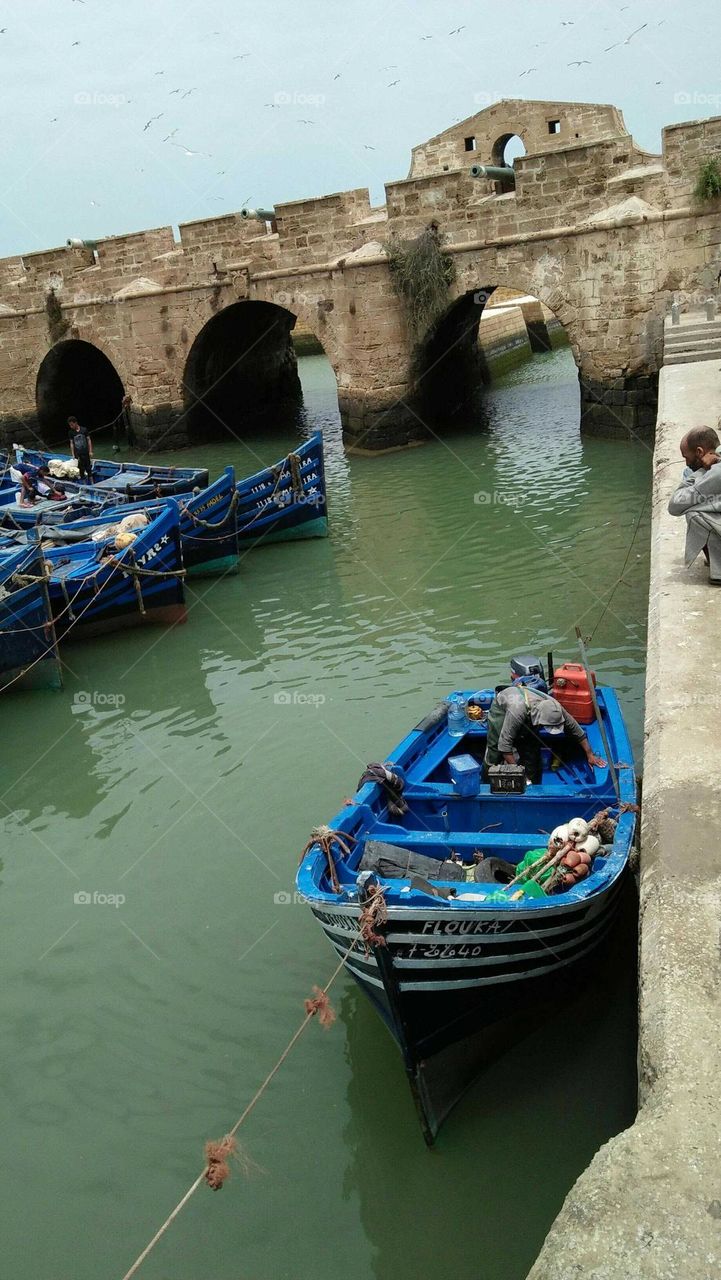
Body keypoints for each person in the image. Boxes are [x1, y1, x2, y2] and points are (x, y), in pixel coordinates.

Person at [484, 683, 606, 785]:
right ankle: (485, 781)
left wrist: (589, 754)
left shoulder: (556, 707)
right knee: (495, 750)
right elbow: (504, 746)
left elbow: (576, 730)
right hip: (503, 708)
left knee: (531, 752)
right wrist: (520, 774)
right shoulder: (517, 711)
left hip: (528, 711)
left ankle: (534, 786)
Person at [668, 426, 721, 583]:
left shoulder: (716, 473)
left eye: (687, 457)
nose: (686, 462)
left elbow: (675, 505)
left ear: (699, 452)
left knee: (694, 513)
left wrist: (701, 474)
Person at [68, 416, 93, 482]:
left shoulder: (84, 429)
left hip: (86, 452)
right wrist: (73, 454)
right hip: (78, 454)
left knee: (88, 468)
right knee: (81, 469)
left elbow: (88, 440)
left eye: (72, 425)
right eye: (70, 425)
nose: (71, 426)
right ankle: (84, 484)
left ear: (76, 423)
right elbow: (71, 443)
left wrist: (90, 451)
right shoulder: (70, 432)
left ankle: (92, 483)